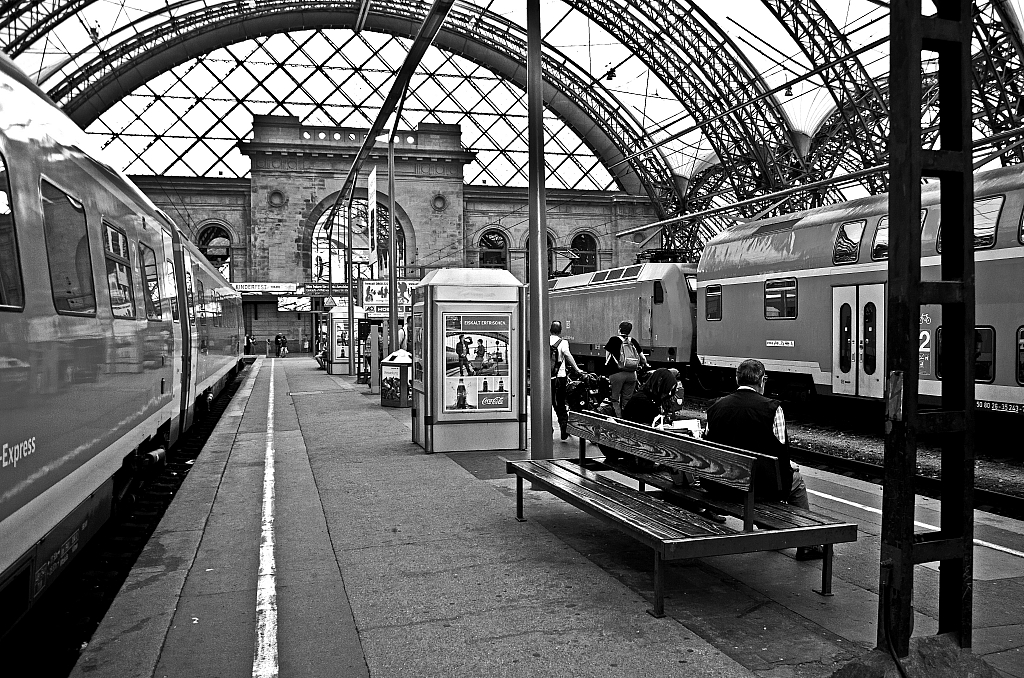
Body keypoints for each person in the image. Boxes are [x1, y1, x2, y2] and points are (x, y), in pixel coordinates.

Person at [705, 358, 822, 559]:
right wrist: (788, 467)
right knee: (797, 481)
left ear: (736, 379)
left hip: (720, 485)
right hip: (760, 487)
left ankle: (773, 529)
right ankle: (809, 543)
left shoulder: (716, 407)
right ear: (762, 381)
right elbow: (781, 449)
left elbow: (708, 443)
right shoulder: (773, 408)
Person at [603, 321, 649, 417]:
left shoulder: (613, 340)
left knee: (614, 399)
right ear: (629, 331)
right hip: (632, 375)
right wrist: (645, 364)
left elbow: (607, 358)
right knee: (627, 399)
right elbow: (643, 358)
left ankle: (619, 419)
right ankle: (627, 419)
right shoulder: (633, 341)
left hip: (616, 374)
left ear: (619, 329)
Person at [550, 320, 581, 440]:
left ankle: (548, 429)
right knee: (560, 404)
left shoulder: (544, 340)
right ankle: (564, 428)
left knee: (547, 404)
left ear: (550, 330)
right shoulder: (563, 342)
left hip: (546, 379)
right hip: (559, 378)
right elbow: (567, 354)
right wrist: (577, 369)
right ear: (560, 331)